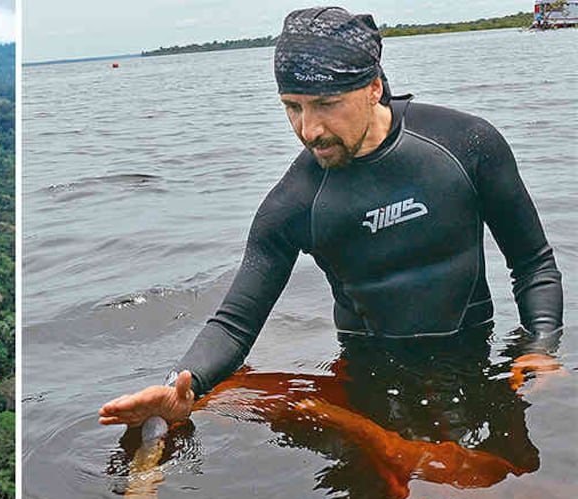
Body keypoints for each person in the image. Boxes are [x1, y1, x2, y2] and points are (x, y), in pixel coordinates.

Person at [98, 6, 564, 429]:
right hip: (371, 378)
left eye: (325, 105)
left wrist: (541, 348)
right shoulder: (295, 202)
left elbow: (533, 262)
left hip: (475, 360)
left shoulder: (466, 146)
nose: (309, 129)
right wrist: (184, 385)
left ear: (374, 88)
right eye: (292, 108)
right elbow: (235, 323)